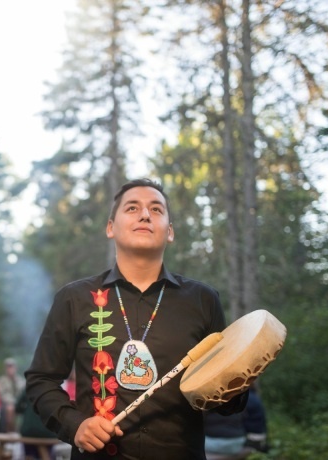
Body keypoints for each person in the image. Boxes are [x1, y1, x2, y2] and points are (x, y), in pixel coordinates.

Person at [25, 178, 247, 459]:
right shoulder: (74, 298)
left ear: (170, 231)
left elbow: (225, 404)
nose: (144, 214)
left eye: (156, 209)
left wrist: (243, 373)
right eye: (132, 208)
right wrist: (75, 424)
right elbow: (41, 380)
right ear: (110, 228)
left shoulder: (203, 300)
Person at [0, 358, 25, 433]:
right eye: (8, 367)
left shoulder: (21, 380)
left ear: (15, 368)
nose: (10, 369)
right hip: (6, 403)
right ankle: (10, 432)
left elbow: (24, 393)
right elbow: (0, 394)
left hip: (19, 403)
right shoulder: (1, 380)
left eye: (12, 367)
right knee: (10, 408)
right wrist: (12, 401)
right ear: (6, 369)